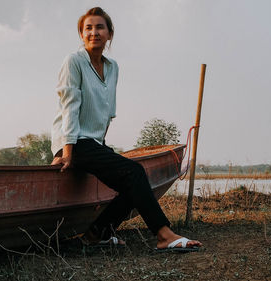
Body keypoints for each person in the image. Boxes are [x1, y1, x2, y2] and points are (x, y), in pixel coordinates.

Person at [51, 7, 202, 252]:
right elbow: (70, 108)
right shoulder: (74, 62)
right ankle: (164, 235)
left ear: (110, 34)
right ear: (81, 34)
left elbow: (106, 112)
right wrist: (67, 152)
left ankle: (96, 234)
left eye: (100, 27)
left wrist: (102, 147)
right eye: (88, 28)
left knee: (136, 180)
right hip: (73, 140)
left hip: (93, 142)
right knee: (134, 173)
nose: (94, 32)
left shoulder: (112, 68)